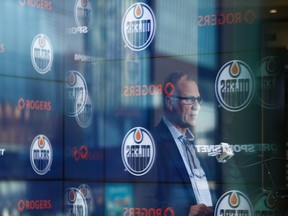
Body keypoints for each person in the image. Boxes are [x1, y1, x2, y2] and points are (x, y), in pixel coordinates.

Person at [149, 71, 216, 216]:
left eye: (198, 99)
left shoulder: (194, 143)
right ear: (169, 102)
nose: (197, 106)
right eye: (189, 100)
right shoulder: (152, 142)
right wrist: (184, 211)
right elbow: (143, 200)